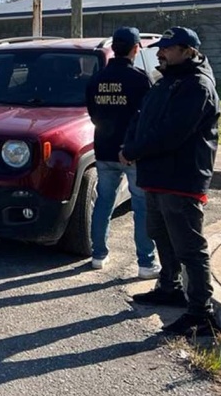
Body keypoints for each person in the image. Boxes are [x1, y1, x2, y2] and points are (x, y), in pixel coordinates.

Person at [121, 27, 221, 337]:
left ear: (188, 51)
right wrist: (128, 144)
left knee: (189, 247)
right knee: (159, 234)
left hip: (181, 179)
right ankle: (169, 287)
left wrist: (135, 150)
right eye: (160, 48)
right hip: (157, 176)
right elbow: (142, 118)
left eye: (168, 48)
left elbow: (171, 133)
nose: (161, 53)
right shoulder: (166, 81)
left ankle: (201, 314)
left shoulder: (197, 86)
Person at [85, 27, 157, 278]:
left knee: (104, 202)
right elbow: (149, 116)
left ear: (114, 48)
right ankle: (146, 263)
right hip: (132, 151)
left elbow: (92, 113)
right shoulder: (140, 79)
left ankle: (98, 255)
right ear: (135, 48)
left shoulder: (96, 78)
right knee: (141, 207)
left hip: (104, 149)